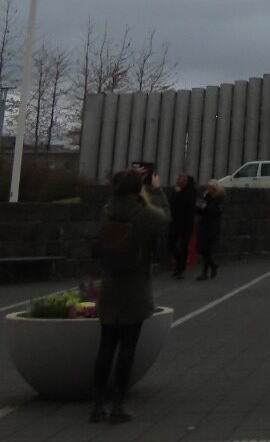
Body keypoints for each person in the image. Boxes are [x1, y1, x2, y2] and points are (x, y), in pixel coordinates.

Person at [90, 165, 170, 422]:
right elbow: (165, 218)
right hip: (134, 286)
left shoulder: (107, 211)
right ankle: (118, 405)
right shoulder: (142, 214)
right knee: (127, 347)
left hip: (111, 284)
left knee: (105, 347)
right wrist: (155, 191)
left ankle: (98, 404)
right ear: (137, 189)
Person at [168, 173, 196, 279]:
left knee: (184, 246)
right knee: (170, 243)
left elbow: (188, 204)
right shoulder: (176, 191)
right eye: (179, 179)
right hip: (175, 222)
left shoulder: (190, 192)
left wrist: (179, 194)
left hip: (186, 224)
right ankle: (179, 262)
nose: (180, 182)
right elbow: (172, 204)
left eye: (182, 180)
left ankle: (180, 268)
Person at [194, 181, 223, 280]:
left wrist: (204, 204)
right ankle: (212, 265)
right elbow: (200, 210)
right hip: (204, 226)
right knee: (203, 249)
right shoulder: (208, 198)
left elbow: (211, 211)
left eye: (210, 188)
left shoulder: (217, 200)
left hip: (211, 228)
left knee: (206, 249)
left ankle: (205, 272)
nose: (208, 190)